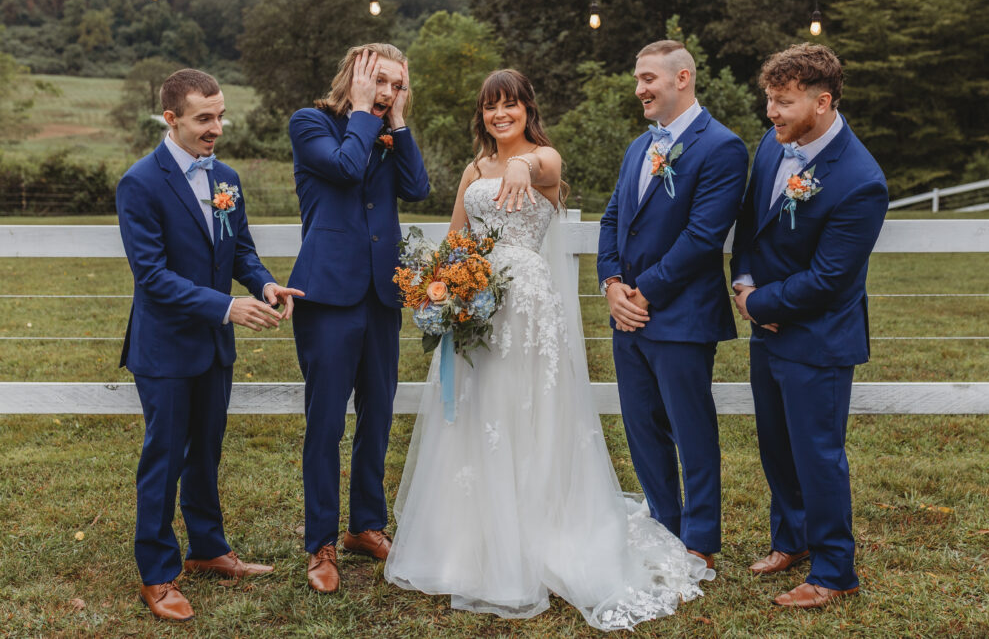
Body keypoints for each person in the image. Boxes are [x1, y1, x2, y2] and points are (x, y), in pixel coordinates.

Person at [385, 69, 714, 632]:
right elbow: (456, 239)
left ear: (526, 109)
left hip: (530, 307)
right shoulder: (472, 169)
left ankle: (542, 533)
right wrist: (442, 287)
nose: (500, 115)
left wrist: (519, 163)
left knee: (530, 412)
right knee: (480, 410)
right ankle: (473, 543)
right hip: (480, 307)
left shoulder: (546, 158)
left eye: (510, 105)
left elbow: (544, 170)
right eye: (491, 107)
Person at [116, 69, 303, 622]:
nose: (216, 128)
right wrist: (226, 307)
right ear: (171, 120)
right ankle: (157, 573)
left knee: (207, 452)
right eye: (204, 118)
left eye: (220, 116)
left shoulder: (226, 178)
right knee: (165, 458)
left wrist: (264, 283)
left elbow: (240, 250)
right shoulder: (140, 182)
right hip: (166, 348)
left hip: (213, 348)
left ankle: (208, 550)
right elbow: (152, 276)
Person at [731, 42, 887, 608]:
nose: (771, 112)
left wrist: (759, 305)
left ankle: (835, 571)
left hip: (818, 340)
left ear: (822, 102)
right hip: (766, 328)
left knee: (818, 455)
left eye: (783, 102)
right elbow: (749, 225)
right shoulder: (774, 148)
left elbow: (831, 280)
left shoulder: (861, 180)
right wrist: (744, 281)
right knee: (776, 446)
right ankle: (791, 540)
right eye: (769, 99)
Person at [596, 40, 749, 570]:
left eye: (647, 79)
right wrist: (612, 284)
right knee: (641, 426)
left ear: (681, 78)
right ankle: (665, 524)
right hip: (627, 315)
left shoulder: (723, 147)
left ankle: (701, 540)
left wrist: (645, 293)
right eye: (638, 80)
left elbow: (703, 236)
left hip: (681, 315)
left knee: (691, 429)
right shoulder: (639, 146)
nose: (639, 89)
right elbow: (614, 218)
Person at [288, 43, 430, 593]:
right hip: (327, 293)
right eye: (381, 81)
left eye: (398, 85)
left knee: (378, 414)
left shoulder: (387, 130)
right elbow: (346, 168)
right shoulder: (311, 123)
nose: (389, 92)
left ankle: (365, 525)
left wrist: (396, 122)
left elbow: (417, 189)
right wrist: (366, 115)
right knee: (326, 423)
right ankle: (321, 542)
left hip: (381, 294)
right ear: (356, 75)